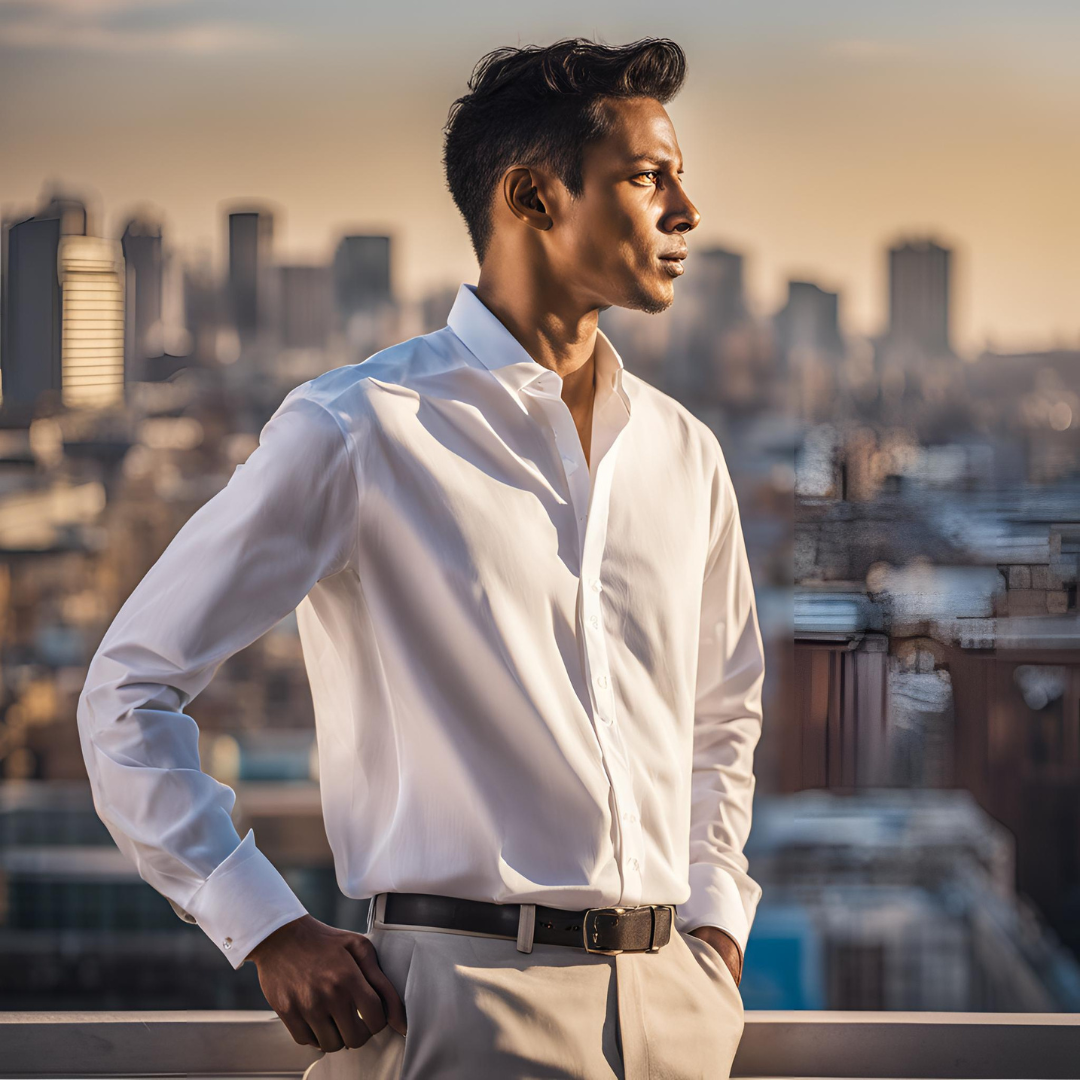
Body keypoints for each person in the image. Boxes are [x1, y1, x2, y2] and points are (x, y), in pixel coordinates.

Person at [77, 35, 766, 1079]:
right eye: (647, 177)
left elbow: (722, 715)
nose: (687, 210)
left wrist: (713, 931)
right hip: (460, 1005)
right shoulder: (361, 429)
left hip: (678, 1009)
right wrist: (264, 925)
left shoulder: (682, 453)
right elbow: (126, 693)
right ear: (533, 196)